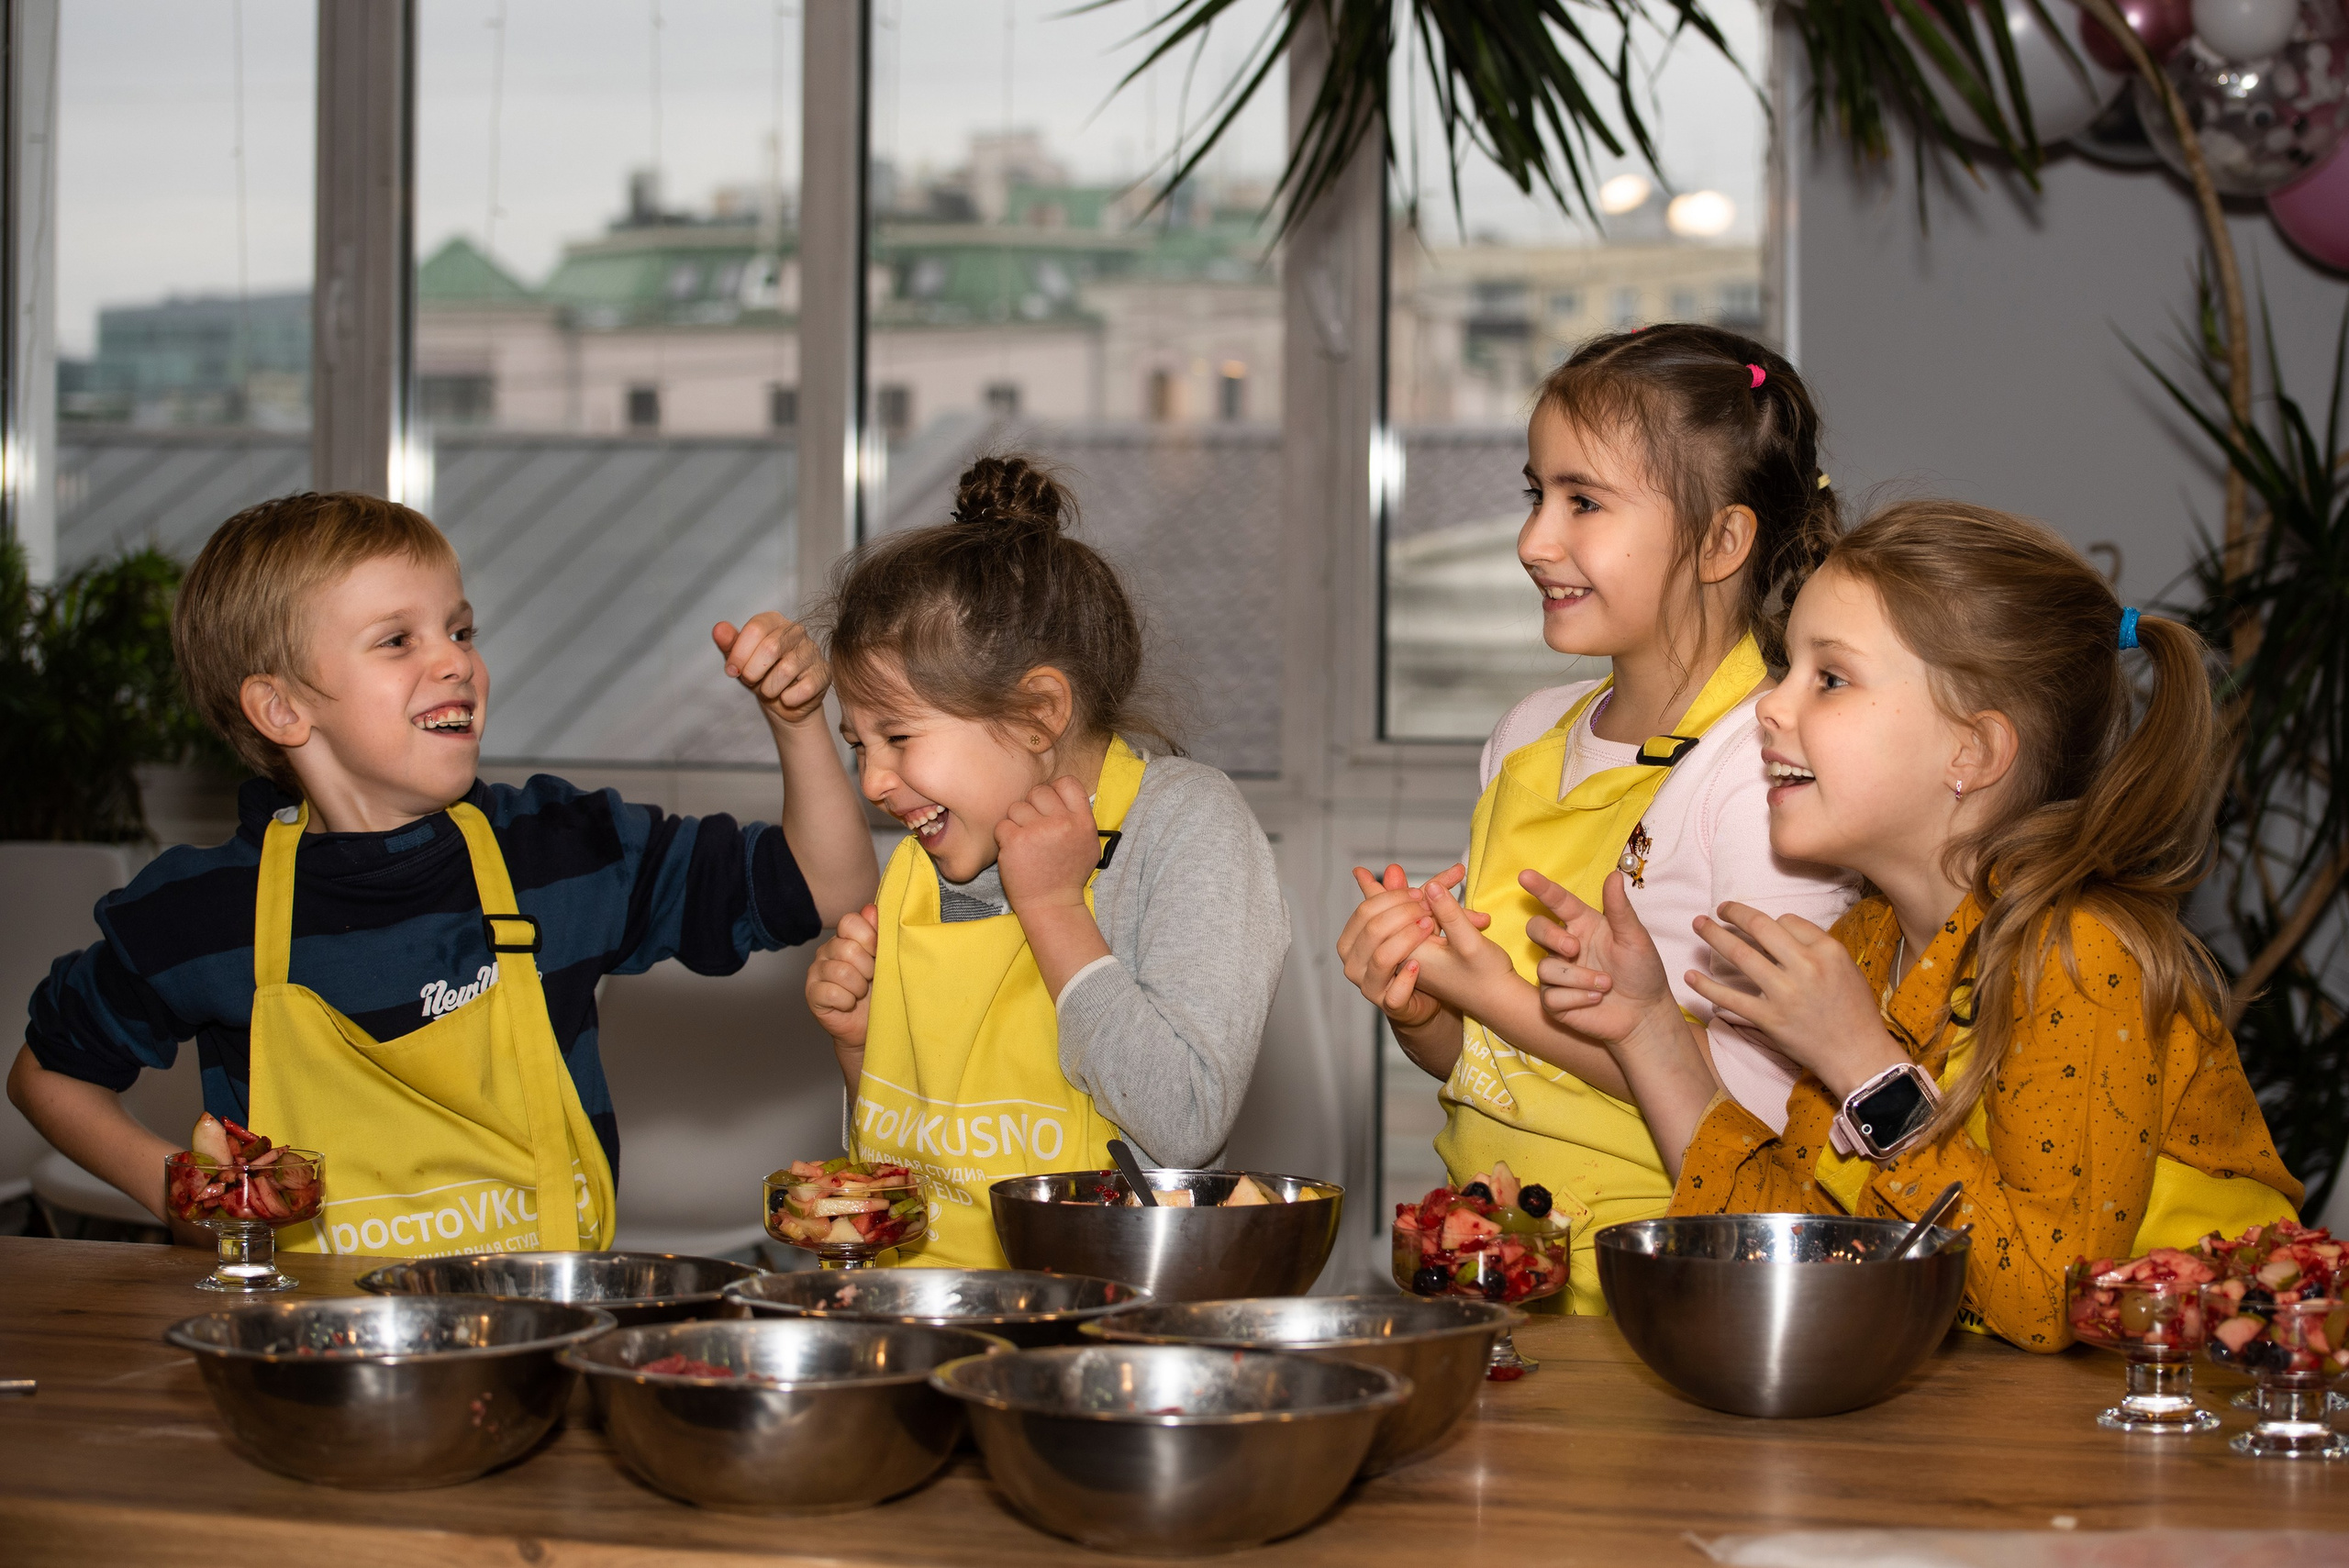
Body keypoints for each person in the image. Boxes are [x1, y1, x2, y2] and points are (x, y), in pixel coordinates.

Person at [7, 490, 874, 1256]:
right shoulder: (202, 911)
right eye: (398, 640)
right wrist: (180, 1193)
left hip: (544, 1333)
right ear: (282, 708)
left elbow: (826, 886)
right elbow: (47, 1075)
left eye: (460, 630)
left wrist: (798, 722)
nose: (455, 659)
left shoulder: (563, 849)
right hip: (310, 1351)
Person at [1529, 500, 2300, 1348]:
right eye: (1787, 669)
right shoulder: (1868, 944)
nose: (1767, 707)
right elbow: (1801, 1244)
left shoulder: (2079, 955)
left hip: (2217, 1398)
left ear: (1972, 752)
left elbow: (2051, 1297)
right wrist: (1645, 1028)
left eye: (1830, 678)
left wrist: (1866, 1066)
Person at [1338, 324, 1856, 1313]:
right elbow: (1486, 1070)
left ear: (1722, 541)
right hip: (1499, 1274)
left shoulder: (1766, 772)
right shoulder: (1526, 737)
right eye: (1536, 494)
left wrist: (1496, 997)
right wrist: (1424, 1007)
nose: (1534, 541)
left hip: (1669, 1300)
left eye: (1583, 501)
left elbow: (1760, 1111)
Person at [802, 454, 1286, 1269]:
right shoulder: (921, 862)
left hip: (1101, 1315)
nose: (874, 781)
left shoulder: (1182, 825)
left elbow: (1186, 1120)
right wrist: (862, 1048)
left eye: (899, 736)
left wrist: (1056, 907)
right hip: (923, 1312)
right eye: (858, 745)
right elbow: (926, 1157)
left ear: (1037, 712)